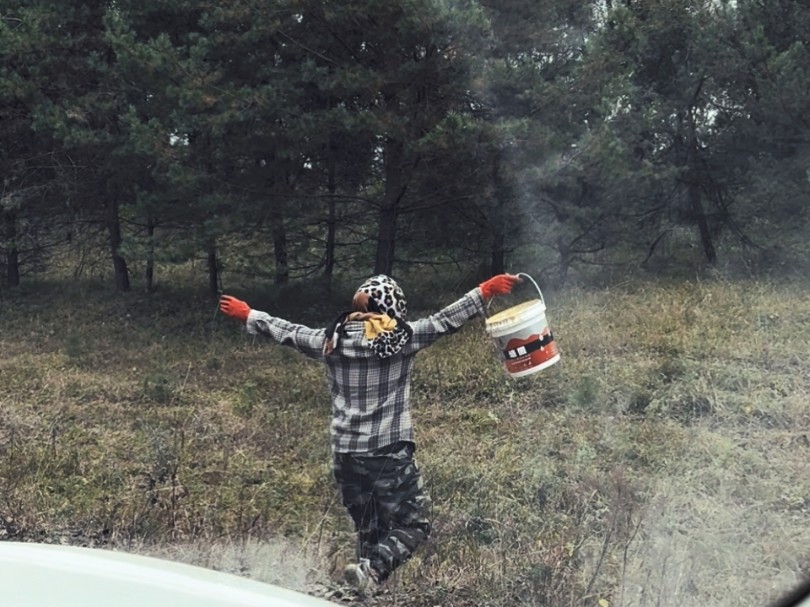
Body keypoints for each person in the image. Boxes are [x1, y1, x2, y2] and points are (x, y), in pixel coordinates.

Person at [218, 273, 521, 591]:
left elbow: (290, 332)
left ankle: (358, 591)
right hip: (387, 452)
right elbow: (444, 320)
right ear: (391, 309)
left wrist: (249, 314)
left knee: (369, 531)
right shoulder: (400, 341)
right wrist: (483, 291)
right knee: (414, 525)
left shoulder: (330, 341)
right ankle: (372, 573)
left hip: (346, 455)